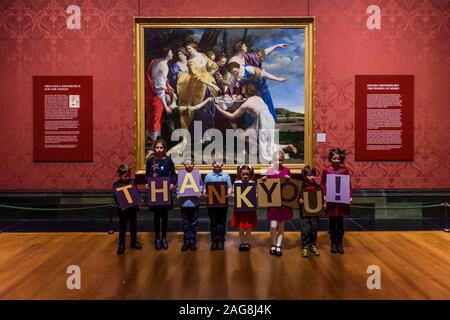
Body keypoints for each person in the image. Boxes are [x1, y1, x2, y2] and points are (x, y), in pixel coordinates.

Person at [213, 83, 297, 163]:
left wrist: (218, 108)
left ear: (247, 90)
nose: (241, 88)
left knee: (264, 149)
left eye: (243, 88)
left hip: (263, 121)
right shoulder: (257, 98)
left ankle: (277, 149)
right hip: (268, 119)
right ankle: (286, 146)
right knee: (247, 135)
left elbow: (232, 116)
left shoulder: (247, 103)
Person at [229, 41, 288, 122]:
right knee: (254, 114)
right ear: (240, 49)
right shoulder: (234, 61)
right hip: (249, 90)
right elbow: (234, 79)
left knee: (265, 111)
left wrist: (277, 46)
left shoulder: (247, 57)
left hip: (259, 87)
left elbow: (263, 53)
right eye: (244, 46)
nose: (246, 47)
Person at [145, 138, 177, 250]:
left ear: (164, 149)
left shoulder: (168, 160)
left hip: (165, 193)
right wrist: (147, 183)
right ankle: (157, 238)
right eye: (157, 147)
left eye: (161, 147)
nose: (159, 150)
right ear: (154, 148)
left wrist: (173, 183)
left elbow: (173, 174)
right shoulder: (150, 161)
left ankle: (164, 237)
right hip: (155, 193)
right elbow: (147, 175)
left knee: (164, 216)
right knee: (156, 216)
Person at [262, 151, 293, 257]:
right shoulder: (269, 171)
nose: (278, 161)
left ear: (283, 159)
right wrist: (264, 180)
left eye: (280, 159)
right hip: (273, 203)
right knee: (273, 225)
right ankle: (273, 244)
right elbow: (266, 187)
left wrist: (289, 179)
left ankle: (278, 245)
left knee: (281, 225)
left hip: (284, 202)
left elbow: (291, 188)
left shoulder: (287, 170)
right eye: (276, 159)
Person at [321, 148, 352, 254]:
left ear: (341, 159)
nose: (336, 161)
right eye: (334, 158)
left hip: (341, 201)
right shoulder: (326, 170)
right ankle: (333, 243)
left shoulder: (345, 171)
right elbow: (322, 184)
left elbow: (348, 185)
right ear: (330, 159)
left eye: (338, 159)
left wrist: (349, 196)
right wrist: (324, 196)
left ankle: (340, 243)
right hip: (331, 200)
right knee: (332, 222)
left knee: (340, 222)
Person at [145, 48, 174, 143]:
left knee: (151, 118)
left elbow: (158, 79)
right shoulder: (164, 66)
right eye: (171, 52)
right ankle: (154, 142)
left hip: (149, 93)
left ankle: (152, 139)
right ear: (166, 54)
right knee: (155, 118)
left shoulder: (155, 61)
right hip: (155, 96)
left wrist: (168, 85)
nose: (172, 54)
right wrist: (166, 107)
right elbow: (159, 88)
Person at [112, 164, 142, 255]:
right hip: (123, 211)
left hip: (133, 209)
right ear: (120, 175)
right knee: (122, 228)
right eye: (125, 176)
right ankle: (122, 244)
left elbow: (135, 193)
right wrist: (121, 204)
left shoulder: (132, 182)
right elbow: (116, 198)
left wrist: (138, 199)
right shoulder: (116, 185)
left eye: (128, 175)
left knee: (133, 226)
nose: (127, 178)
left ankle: (134, 242)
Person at [204, 158, 232, 251]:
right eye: (215, 162)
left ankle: (221, 240)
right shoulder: (208, 176)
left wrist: (229, 192)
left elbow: (229, 186)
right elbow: (205, 187)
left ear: (223, 164)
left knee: (222, 221)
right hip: (212, 204)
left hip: (223, 203)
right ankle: (214, 240)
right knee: (213, 221)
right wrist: (205, 193)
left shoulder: (226, 175)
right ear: (212, 164)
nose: (217, 164)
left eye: (219, 162)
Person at [177, 157, 203, 251]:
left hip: (194, 203)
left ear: (194, 164)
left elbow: (201, 185)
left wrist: (199, 191)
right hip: (184, 204)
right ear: (184, 165)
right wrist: (178, 193)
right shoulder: (181, 175)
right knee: (186, 223)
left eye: (191, 163)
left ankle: (193, 240)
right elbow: (178, 186)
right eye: (187, 164)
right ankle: (187, 240)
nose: (189, 165)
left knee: (194, 223)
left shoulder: (197, 174)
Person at [230, 164, 257, 251]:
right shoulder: (237, 184)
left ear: (250, 175)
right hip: (240, 210)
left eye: (247, 174)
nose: (245, 176)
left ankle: (247, 243)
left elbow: (255, 195)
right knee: (241, 227)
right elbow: (234, 195)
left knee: (248, 227)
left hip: (249, 210)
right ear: (240, 174)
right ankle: (242, 243)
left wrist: (256, 193)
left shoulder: (252, 184)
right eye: (243, 174)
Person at [298, 165, 322, 257]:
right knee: (305, 229)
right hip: (304, 213)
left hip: (315, 213)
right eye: (309, 175)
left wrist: (323, 203)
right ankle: (305, 246)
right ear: (304, 176)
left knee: (314, 228)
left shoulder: (317, 186)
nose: (312, 177)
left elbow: (320, 198)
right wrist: (299, 200)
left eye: (313, 175)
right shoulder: (301, 186)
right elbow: (296, 198)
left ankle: (313, 245)